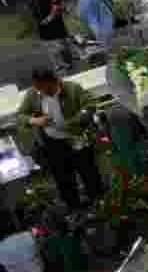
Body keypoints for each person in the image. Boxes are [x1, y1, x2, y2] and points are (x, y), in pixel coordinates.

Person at [16, 67, 101, 211]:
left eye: (41, 87)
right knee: (63, 179)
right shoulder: (33, 94)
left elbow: (90, 105)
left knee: (89, 173)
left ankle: (100, 203)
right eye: (36, 87)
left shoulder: (72, 89)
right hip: (53, 144)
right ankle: (75, 210)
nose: (39, 90)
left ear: (52, 82)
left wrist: (72, 122)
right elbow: (20, 115)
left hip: (76, 137)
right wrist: (34, 121)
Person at [31, 0, 73, 75]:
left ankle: (72, 74)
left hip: (61, 31)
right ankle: (63, 77)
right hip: (49, 36)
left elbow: (62, 7)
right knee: (58, 61)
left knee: (68, 56)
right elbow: (43, 22)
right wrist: (53, 13)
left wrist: (63, 8)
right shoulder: (34, 2)